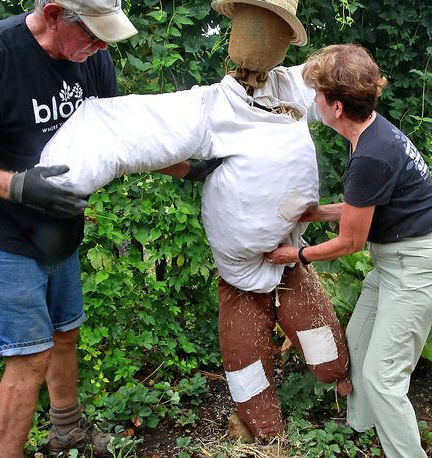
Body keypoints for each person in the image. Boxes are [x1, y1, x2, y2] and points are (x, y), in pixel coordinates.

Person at [35, 0, 353, 440]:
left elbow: (340, 75)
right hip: (240, 272)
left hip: (288, 260)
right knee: (245, 359)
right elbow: (118, 125)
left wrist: (354, 75)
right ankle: (267, 433)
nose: (258, 44)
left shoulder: (293, 88)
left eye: (272, 32)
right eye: (252, 29)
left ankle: (347, 395)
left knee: (327, 351)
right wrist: (57, 184)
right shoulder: (211, 106)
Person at [0, 1, 212, 455]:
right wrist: (16, 186)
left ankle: (67, 432)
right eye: (92, 35)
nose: (99, 47)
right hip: (4, 235)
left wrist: (191, 169)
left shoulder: (92, 58)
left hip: (58, 232)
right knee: (29, 357)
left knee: (65, 334)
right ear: (54, 14)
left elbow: (122, 139)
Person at [265, 44, 432, 458]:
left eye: (316, 93)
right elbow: (364, 207)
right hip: (395, 259)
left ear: (334, 107)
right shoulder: (371, 132)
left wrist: (295, 256)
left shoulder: (371, 154)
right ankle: (367, 432)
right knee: (355, 346)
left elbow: (351, 241)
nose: (312, 99)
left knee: (384, 377)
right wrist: (314, 213)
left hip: (416, 265)